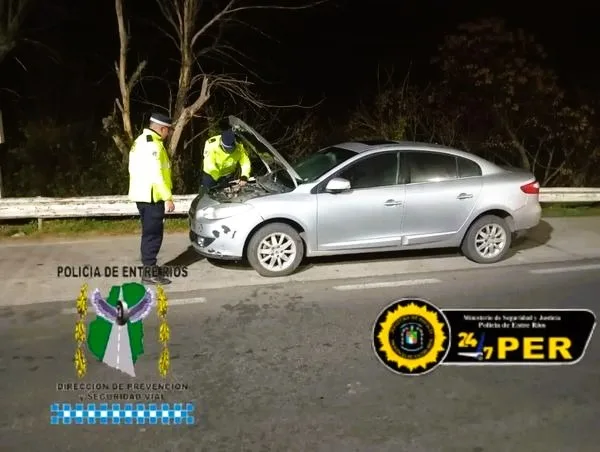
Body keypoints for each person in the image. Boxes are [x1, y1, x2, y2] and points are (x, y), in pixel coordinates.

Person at [128, 112, 175, 285]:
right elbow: (156, 174)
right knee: (153, 235)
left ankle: (150, 268)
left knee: (149, 233)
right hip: (152, 196)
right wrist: (167, 197)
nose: (168, 133)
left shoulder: (141, 141)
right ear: (162, 129)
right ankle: (149, 273)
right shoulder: (153, 145)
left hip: (143, 195)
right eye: (168, 130)